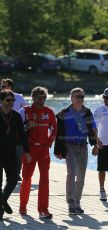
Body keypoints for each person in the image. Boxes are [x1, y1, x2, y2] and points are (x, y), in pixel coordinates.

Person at [54, 87, 98, 214]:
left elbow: (93, 129)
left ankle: (77, 202)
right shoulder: (64, 113)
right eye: (77, 96)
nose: (80, 99)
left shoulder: (88, 112)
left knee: (81, 175)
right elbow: (59, 133)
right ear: (71, 98)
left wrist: (96, 145)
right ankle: (71, 202)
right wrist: (58, 150)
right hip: (69, 146)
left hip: (83, 146)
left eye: (82, 97)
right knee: (71, 173)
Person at [19, 86, 57, 219]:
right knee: (27, 178)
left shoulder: (50, 112)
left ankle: (43, 209)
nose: (42, 100)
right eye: (39, 97)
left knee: (44, 179)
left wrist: (50, 141)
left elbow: (54, 128)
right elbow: (17, 130)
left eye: (44, 97)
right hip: (29, 149)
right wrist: (26, 126)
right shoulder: (24, 111)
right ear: (33, 97)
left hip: (43, 149)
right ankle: (23, 206)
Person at [0, 90, 31, 221]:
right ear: (1, 101)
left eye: (12, 101)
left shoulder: (16, 116)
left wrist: (27, 151)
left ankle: (2, 201)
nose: (11, 103)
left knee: (13, 180)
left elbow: (23, 136)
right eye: (8, 100)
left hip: (11, 153)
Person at [0, 78, 27, 181]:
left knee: (18, 152)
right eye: (1, 86)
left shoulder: (19, 97)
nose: (1, 88)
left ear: (10, 87)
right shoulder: (1, 97)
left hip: (16, 126)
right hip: (3, 126)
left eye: (3, 86)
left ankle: (16, 173)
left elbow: (26, 110)